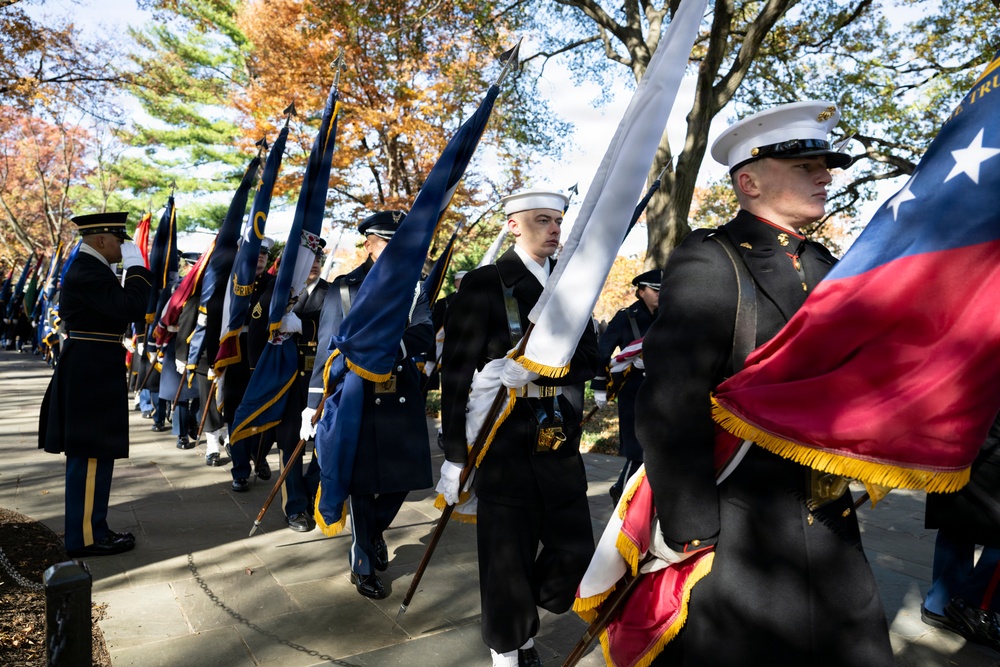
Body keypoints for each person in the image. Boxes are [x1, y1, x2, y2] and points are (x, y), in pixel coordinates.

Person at [635, 101, 894, 665]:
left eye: (825, 165)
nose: (826, 176)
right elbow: (671, 399)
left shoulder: (825, 261)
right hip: (746, 518)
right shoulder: (713, 259)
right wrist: (691, 522)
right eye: (806, 167)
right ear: (748, 181)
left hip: (826, 506)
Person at [439, 189, 599, 667]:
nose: (554, 229)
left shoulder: (571, 283)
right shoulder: (486, 283)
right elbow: (455, 374)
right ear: (513, 225)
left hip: (556, 435)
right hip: (502, 440)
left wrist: (544, 369)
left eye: (558, 221)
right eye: (542, 220)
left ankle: (522, 609)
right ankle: (508, 649)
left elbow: (590, 359)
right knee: (506, 556)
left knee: (574, 550)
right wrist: (453, 455)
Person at [303, 211, 434, 597]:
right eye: (386, 241)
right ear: (369, 243)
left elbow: (425, 330)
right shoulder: (344, 288)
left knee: (403, 479)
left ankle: (374, 530)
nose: (395, 249)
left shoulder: (415, 286)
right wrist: (313, 403)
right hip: (357, 396)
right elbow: (328, 346)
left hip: (402, 391)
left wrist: (392, 344)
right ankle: (361, 560)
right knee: (361, 482)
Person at [38, 212, 152, 557]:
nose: (123, 246)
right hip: (90, 370)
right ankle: (84, 538)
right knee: (90, 453)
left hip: (94, 365)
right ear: (100, 240)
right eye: (119, 240)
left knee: (98, 452)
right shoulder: (88, 270)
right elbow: (131, 306)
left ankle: (94, 527)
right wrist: (137, 270)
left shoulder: (94, 269)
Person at [248, 237, 328, 531]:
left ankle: (312, 492)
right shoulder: (278, 291)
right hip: (288, 380)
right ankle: (294, 507)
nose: (315, 262)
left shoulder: (332, 293)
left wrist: (305, 327)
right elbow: (256, 330)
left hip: (320, 379)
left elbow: (340, 329)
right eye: (310, 258)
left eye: (319, 258)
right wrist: (259, 373)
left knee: (324, 444)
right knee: (289, 443)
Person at [922, 412, 1000, 650]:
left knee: (957, 516)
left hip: (952, 431)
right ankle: (974, 606)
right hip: (983, 438)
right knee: (957, 514)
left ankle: (941, 603)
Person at [591, 268, 660, 504]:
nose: (660, 295)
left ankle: (626, 489)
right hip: (633, 388)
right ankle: (624, 493)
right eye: (655, 290)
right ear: (641, 292)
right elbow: (603, 352)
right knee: (635, 446)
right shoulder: (625, 317)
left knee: (655, 445)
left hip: (660, 388)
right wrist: (599, 385)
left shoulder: (667, 316)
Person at [222, 236, 275, 492]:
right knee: (236, 414)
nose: (262, 256)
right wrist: (215, 358)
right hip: (237, 357)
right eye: (257, 251)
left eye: (265, 253)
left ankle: (260, 453)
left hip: (266, 355)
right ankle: (240, 470)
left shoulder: (274, 284)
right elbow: (216, 322)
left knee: (268, 411)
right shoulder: (231, 283)